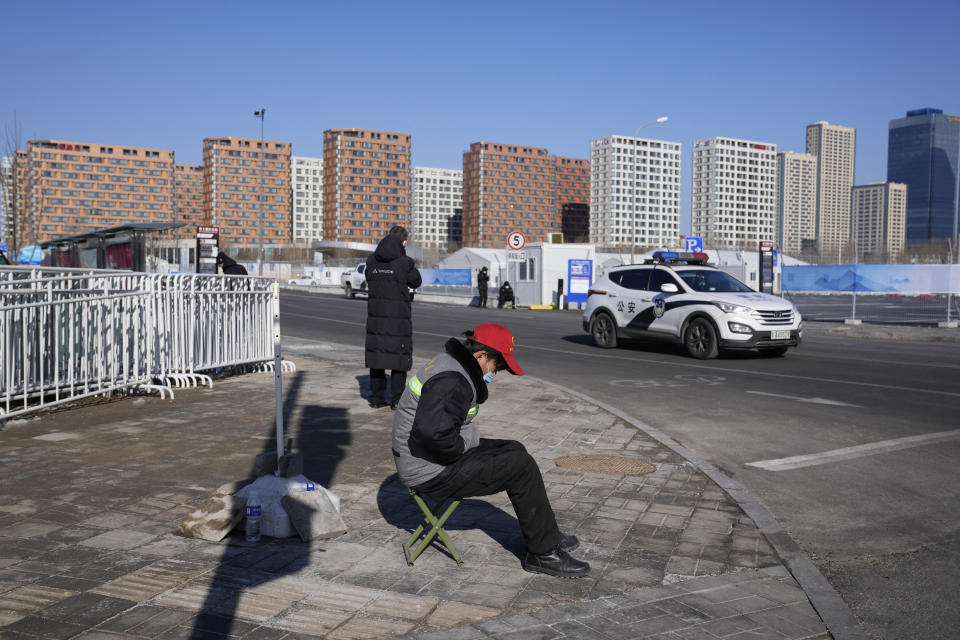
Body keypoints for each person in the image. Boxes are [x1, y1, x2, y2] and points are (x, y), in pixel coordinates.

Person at [391, 323, 590, 578]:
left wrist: (466, 439)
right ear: (481, 356)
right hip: (429, 470)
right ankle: (543, 553)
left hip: (429, 458)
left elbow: (439, 430)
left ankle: (546, 534)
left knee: (515, 449)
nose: (495, 374)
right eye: (497, 366)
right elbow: (433, 435)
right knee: (520, 466)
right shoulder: (452, 380)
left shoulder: (451, 364)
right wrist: (467, 440)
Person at [365, 226, 422, 409]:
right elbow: (416, 281)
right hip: (398, 320)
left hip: (376, 318)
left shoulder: (371, 261)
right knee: (399, 359)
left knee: (377, 357)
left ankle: (376, 398)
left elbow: (368, 277)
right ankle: (397, 400)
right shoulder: (404, 262)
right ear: (403, 242)